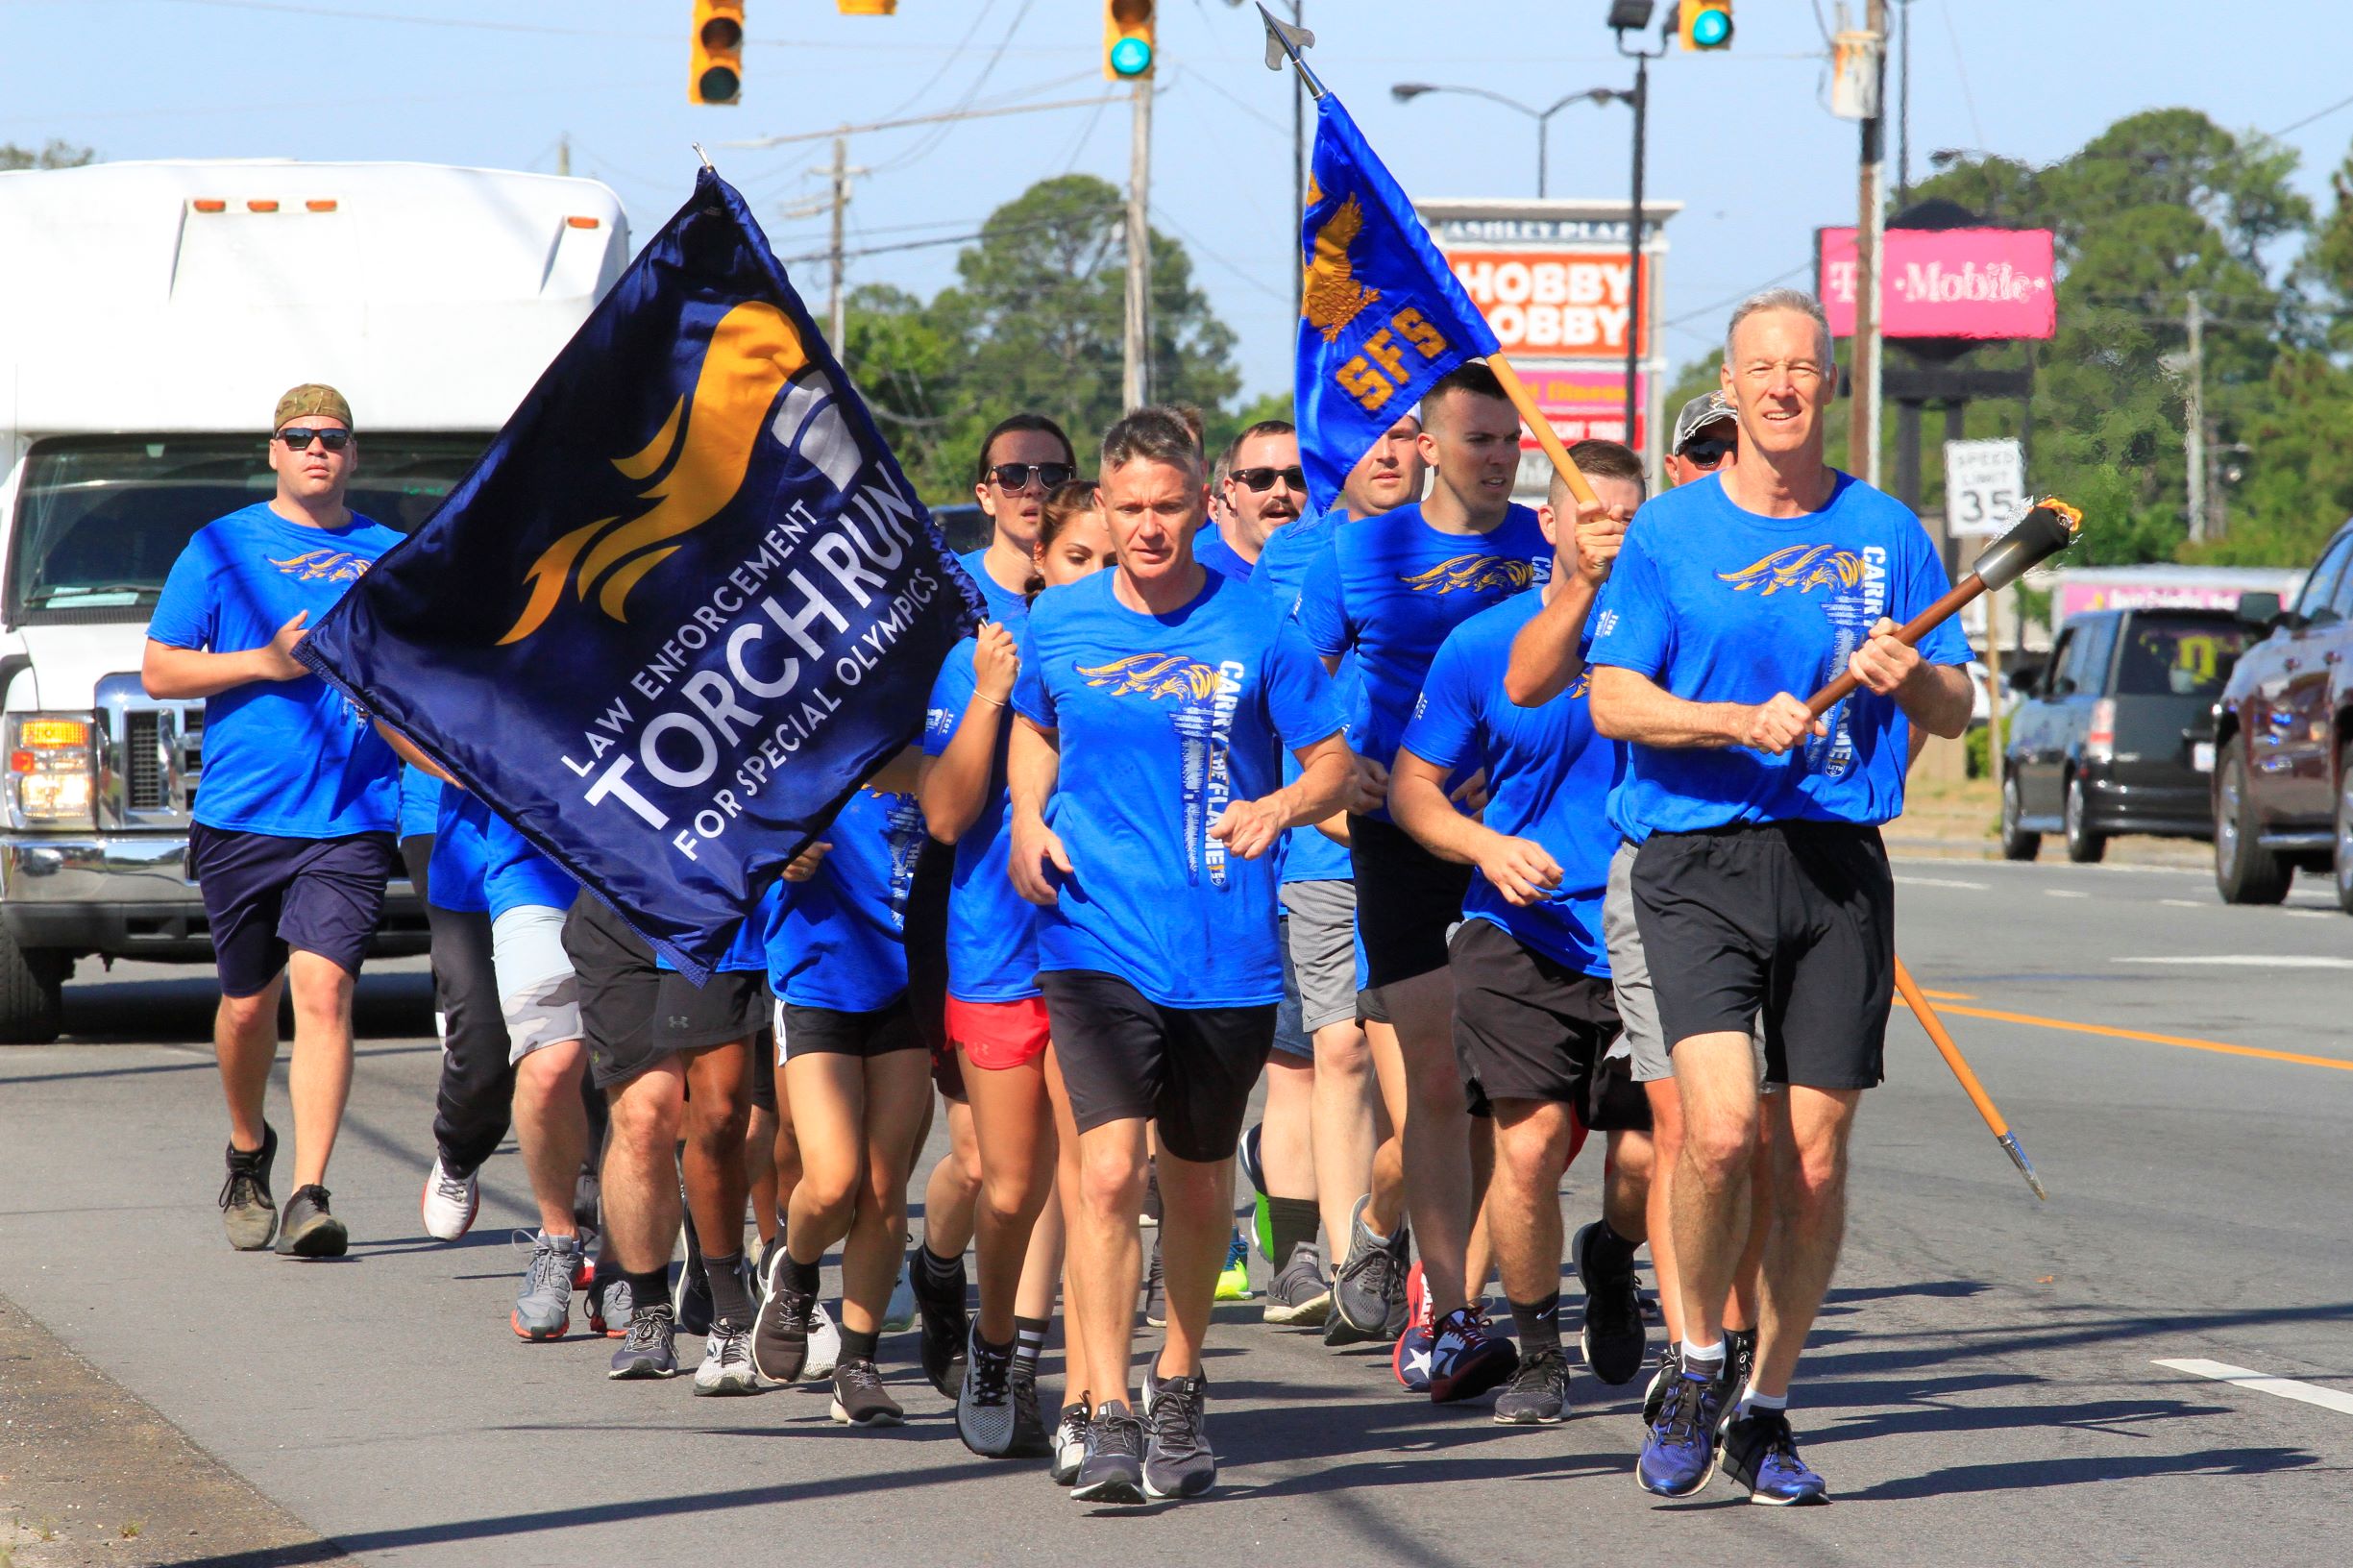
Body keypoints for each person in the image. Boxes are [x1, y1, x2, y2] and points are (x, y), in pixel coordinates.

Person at [1586, 289, 1973, 1503]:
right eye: (1763, 369)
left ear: (1826, 385)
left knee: (1812, 1154)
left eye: (1804, 367)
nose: (1784, 387)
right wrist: (1726, 722)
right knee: (1713, 1131)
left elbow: (1958, 711)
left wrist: (1911, 681)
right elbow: (1611, 698)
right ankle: (1697, 1352)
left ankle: (1764, 1406)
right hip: (1695, 859)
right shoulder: (1668, 533)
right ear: (1733, 387)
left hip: (1836, 863)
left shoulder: (1885, 530)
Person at [1007, 406, 1353, 1504]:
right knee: (1109, 1169)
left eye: (1169, 507)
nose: (1149, 527)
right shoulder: (1059, 622)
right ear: (1100, 508)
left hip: (1225, 943)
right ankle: (1104, 1407)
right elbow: (1033, 726)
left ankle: (1180, 1377)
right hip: (1092, 930)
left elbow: (1334, 763)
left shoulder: (1259, 627)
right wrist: (1026, 821)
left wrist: (1283, 804)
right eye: (1131, 509)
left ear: (1202, 506)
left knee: (1198, 1178)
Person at [1295, 363, 1553, 1403]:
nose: (1496, 460)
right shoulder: (1355, 555)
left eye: (1510, 444)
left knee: (1503, 1096)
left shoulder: (1548, 548)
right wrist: (1328, 775)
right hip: (1399, 834)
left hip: (1522, 836)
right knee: (1440, 1082)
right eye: (1477, 441)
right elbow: (1287, 688)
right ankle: (1450, 1312)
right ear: (1428, 447)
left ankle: (1414, 1253)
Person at [1390, 439, 1654, 1427]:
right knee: (1532, 1142)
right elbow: (1416, 791)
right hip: (1519, 929)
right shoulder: (1482, 646)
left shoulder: (1676, 639)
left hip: (1645, 925)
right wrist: (1485, 847)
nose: (1607, 535)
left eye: (1626, 519)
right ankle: (1539, 1349)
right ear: (1548, 523)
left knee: (1645, 1159)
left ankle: (1614, 1254)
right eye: (1590, 518)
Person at [142, 383, 404, 1258]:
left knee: (324, 992)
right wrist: (262, 660)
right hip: (244, 812)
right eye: (299, 437)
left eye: (332, 437)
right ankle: (250, 1150)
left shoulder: (392, 555)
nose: (316, 450)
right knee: (248, 1007)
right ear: (274, 451)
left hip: (352, 814)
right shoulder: (220, 546)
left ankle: (308, 1195)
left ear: (353, 453)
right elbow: (159, 672)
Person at [923, 481, 1115, 1465]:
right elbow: (948, 819)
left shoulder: (1143, 660)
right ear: (1041, 561)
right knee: (1009, 1190)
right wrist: (994, 696)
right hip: (998, 955)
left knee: (1099, 1185)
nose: (1094, 574)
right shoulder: (979, 658)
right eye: (1077, 557)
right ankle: (994, 1342)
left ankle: (1090, 1396)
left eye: (1109, 558)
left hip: (1106, 949)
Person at [906, 413, 1085, 1399]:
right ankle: (939, 1271)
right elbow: (937, 802)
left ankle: (1016, 1356)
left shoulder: (1107, 612)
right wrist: (988, 691)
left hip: (1094, 933)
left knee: (1071, 1167)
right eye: (1011, 473)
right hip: (970, 909)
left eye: (1050, 473)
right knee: (981, 1167)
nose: (1030, 484)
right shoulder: (952, 609)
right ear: (983, 492)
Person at [1258, 413, 1425, 1349]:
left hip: (1451, 845)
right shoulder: (1301, 558)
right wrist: (1317, 805)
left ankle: (1389, 1233)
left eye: (1407, 433)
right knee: (1343, 1052)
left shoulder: (1488, 552)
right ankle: (1345, 1260)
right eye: (1373, 435)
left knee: (1438, 1075)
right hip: (1331, 850)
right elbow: (1283, 707)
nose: (1390, 453)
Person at [748, 774, 932, 1428]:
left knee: (884, 1188)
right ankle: (793, 1275)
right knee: (832, 1183)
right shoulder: (812, 742)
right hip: (818, 976)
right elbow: (729, 834)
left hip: (909, 981)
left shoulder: (934, 739)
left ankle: (858, 1364)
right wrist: (777, 855)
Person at [566, 879, 770, 1389]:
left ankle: (723, 1280)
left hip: (716, 905)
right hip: (619, 911)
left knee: (726, 1119)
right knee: (642, 1115)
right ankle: (650, 1308)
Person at [404, 764, 517, 1245]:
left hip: (569, 841)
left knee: (579, 1045)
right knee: (482, 1028)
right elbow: (399, 713)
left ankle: (583, 1214)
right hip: (451, 828)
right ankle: (460, 1152)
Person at [1667, 388, 1738, 489]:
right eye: (1707, 451)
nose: (1729, 465)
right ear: (1674, 470)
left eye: (1744, 451)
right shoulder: (1654, 505)